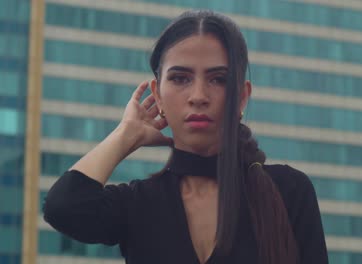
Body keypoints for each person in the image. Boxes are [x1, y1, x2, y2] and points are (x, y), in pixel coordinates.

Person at [42, 10, 328, 264]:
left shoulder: (289, 191)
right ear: (157, 94)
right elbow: (63, 207)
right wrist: (126, 134)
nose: (198, 96)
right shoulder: (138, 204)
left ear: (241, 97)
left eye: (218, 79)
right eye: (180, 78)